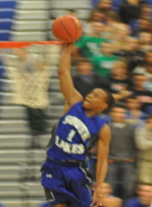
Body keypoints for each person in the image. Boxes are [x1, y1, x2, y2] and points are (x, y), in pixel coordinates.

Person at [41, 43, 113, 207]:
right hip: (54, 166)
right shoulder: (74, 101)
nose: (89, 95)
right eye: (91, 92)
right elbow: (63, 72)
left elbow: (102, 161)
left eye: (95, 95)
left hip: (76, 170)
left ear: (103, 106)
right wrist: (68, 46)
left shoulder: (103, 128)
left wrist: (100, 185)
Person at [107, 106, 137, 199]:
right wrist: (107, 157)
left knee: (129, 187)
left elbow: (135, 144)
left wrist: (132, 158)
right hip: (111, 160)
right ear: (111, 114)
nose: (119, 115)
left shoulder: (131, 128)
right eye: (116, 112)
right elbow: (102, 145)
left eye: (121, 112)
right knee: (109, 186)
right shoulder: (107, 127)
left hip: (127, 160)